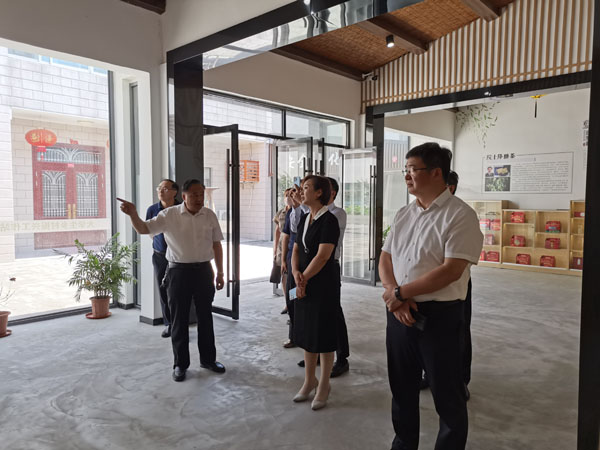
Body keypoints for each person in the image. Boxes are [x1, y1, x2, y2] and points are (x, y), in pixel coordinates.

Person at [379, 143, 483, 450]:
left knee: (447, 396)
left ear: (436, 173)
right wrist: (394, 295)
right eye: (406, 170)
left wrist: (400, 293)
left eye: (413, 170)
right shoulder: (404, 213)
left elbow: (451, 270)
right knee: (402, 390)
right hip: (399, 314)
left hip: (439, 319)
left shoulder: (460, 215)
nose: (407, 176)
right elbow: (385, 258)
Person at [118, 179, 226, 382]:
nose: (198, 198)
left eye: (201, 194)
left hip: (204, 271)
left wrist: (220, 272)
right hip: (178, 273)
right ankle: (180, 364)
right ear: (183, 196)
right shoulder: (169, 215)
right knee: (179, 320)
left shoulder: (209, 215)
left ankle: (208, 360)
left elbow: (217, 245)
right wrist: (133, 214)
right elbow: (144, 229)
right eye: (194, 195)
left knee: (205, 317)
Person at [420, 170, 473, 400]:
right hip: (423, 285)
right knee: (426, 334)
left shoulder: (460, 215)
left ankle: (460, 380)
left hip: (453, 288)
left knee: (458, 334)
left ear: (448, 187)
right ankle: (429, 374)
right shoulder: (419, 212)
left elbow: (454, 266)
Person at [292, 175, 340, 411]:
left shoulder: (329, 221)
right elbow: (296, 248)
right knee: (308, 331)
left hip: (322, 284)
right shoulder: (304, 217)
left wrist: (304, 278)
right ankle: (309, 380)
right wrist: (295, 274)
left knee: (324, 333)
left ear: (319, 192)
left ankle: (324, 385)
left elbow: (323, 256)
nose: (302, 192)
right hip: (303, 281)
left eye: (306, 187)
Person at [146, 179, 179, 338]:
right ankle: (169, 324)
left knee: (179, 292)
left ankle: (180, 323)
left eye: (165, 188)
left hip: (179, 257)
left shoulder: (181, 208)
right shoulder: (152, 209)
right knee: (163, 290)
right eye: (159, 188)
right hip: (160, 256)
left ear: (174, 192)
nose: (160, 191)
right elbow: (150, 232)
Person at [326, 177, 350, 378]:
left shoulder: (338, 214)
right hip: (313, 267)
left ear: (331, 193)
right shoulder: (311, 213)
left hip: (329, 266)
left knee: (334, 312)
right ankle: (318, 352)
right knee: (318, 313)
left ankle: (342, 358)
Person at [273, 188, 292, 307]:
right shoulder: (281, 212)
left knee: (292, 278)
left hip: (292, 247)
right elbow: (277, 231)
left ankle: (292, 301)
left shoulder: (298, 212)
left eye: (291, 195)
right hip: (281, 247)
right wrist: (275, 249)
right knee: (284, 277)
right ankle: (287, 302)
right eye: (286, 195)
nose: (288, 198)